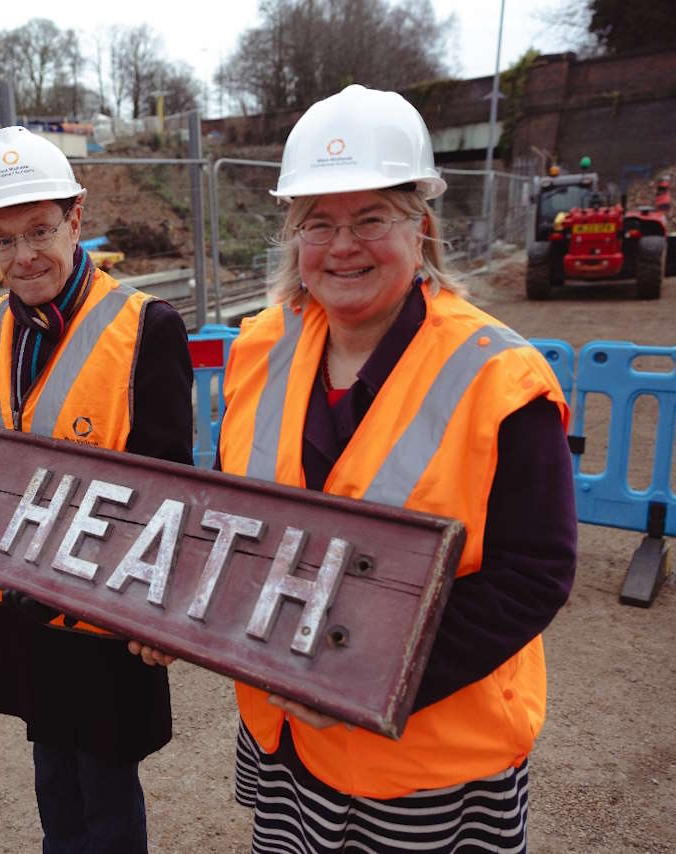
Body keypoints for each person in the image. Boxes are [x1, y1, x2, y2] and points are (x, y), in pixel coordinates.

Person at [218, 85, 576, 852]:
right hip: (286, 733)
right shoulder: (258, 349)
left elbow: (534, 574)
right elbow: (231, 514)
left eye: (371, 218)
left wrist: (369, 678)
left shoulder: (499, 377)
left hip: (424, 751)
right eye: (319, 223)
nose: (342, 245)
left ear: (422, 227)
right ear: (293, 236)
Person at [0, 126, 194, 853]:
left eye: (39, 230)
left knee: (106, 791)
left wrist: (153, 612)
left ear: (76, 219)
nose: (23, 255)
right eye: (1, 240)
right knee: (52, 772)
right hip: (26, 605)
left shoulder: (145, 327)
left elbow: (170, 485)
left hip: (104, 617)